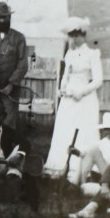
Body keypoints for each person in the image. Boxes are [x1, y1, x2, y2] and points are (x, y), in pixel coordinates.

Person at [43, 17, 103, 183]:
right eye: (69, 36)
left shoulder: (92, 54)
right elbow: (65, 75)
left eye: (72, 36)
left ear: (80, 36)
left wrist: (82, 92)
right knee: (65, 130)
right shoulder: (69, 54)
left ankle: (82, 168)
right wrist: (62, 89)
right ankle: (59, 166)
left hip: (85, 99)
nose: (70, 39)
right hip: (69, 99)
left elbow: (98, 80)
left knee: (84, 130)